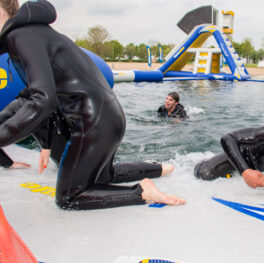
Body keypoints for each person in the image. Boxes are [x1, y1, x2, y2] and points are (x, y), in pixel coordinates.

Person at [0, 0, 185, 209]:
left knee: (69, 198)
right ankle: (157, 168)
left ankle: (141, 192)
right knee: (104, 175)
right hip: (105, 116)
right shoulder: (30, 32)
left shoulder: (22, 36)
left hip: (91, 120)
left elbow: (43, 99)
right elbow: (33, 98)